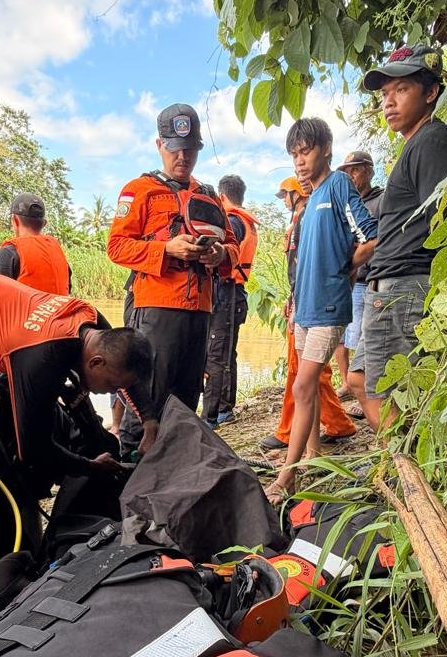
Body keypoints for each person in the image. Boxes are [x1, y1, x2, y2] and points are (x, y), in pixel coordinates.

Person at [0, 271, 153, 549]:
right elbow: (33, 449)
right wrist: (89, 466)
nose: (111, 392)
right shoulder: (43, 358)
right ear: (96, 362)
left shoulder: (88, 318)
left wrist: (149, 421)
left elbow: (127, 362)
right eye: (111, 386)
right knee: (2, 456)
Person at [106, 102, 236, 453]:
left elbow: (233, 248)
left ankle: (175, 473)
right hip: (156, 312)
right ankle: (130, 474)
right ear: (159, 145)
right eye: (175, 148)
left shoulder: (209, 196)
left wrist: (220, 254)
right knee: (145, 403)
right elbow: (116, 247)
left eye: (190, 149)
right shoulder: (139, 190)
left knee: (185, 405)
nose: (183, 156)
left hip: (200, 313)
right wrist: (166, 249)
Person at [349, 45, 447, 429]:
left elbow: (445, 221)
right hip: (387, 288)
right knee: (359, 380)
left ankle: (405, 461)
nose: (389, 102)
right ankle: (400, 455)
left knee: (389, 394)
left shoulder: (432, 141)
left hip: (405, 286)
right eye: (385, 94)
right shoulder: (415, 144)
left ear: (430, 92)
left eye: (400, 90)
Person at [266, 118, 376, 504]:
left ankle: (287, 476)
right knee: (307, 384)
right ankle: (311, 453)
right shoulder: (310, 200)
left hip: (329, 307)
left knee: (302, 386)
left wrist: (344, 269)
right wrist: (294, 299)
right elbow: (304, 260)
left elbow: (371, 237)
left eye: (306, 151)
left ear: (326, 149)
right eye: (294, 154)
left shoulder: (339, 185)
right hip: (304, 308)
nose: (299, 161)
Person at [261, 177, 356, 451]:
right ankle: (335, 427)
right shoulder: (301, 220)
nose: (284, 201)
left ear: (296, 194)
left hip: (315, 305)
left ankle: (290, 432)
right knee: (309, 374)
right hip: (302, 300)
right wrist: (293, 297)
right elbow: (298, 268)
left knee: (302, 374)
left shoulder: (314, 217)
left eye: (285, 195)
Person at [201, 173, 258, 426]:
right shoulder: (246, 221)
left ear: (221, 197)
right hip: (235, 295)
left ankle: (211, 416)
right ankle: (225, 407)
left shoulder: (232, 222)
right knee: (226, 353)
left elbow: (220, 257)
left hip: (227, 293)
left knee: (216, 354)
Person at [336, 151, 384, 405]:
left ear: (369, 170)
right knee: (345, 336)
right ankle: (349, 384)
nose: (350, 175)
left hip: (371, 279)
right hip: (351, 280)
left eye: (355, 169)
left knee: (367, 336)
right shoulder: (347, 205)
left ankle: (366, 390)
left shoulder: (381, 201)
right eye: (346, 171)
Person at [0, 192, 71, 294]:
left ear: (15, 220)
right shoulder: (57, 250)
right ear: (44, 224)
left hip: (27, 306)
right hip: (58, 305)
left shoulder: (10, 252)